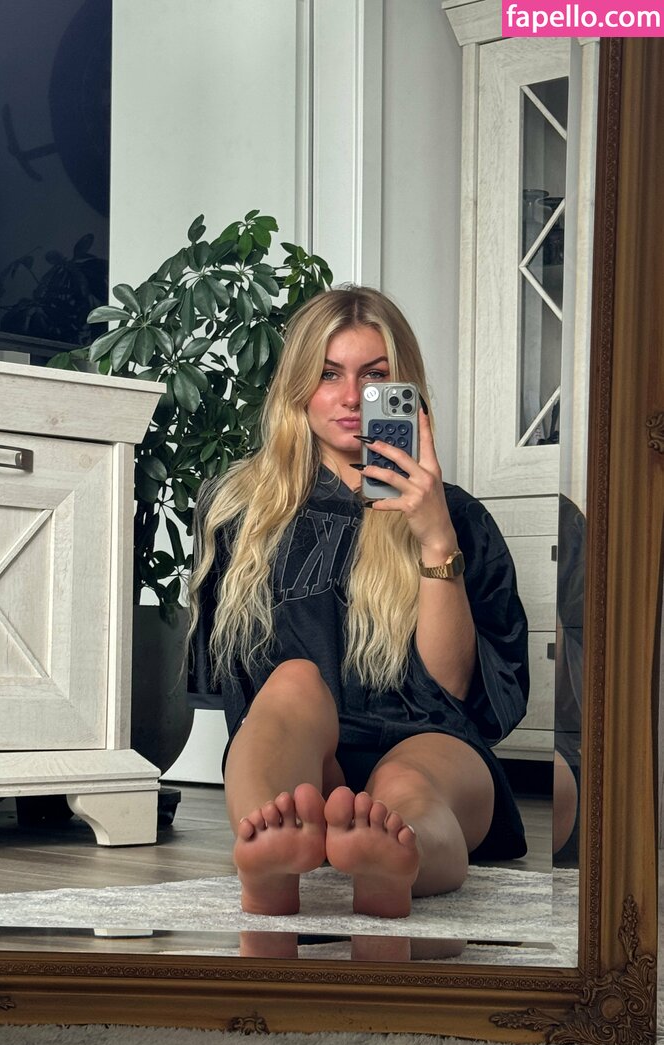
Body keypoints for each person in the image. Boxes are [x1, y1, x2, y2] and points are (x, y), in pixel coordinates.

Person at [187, 286, 534, 923]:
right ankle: (272, 851)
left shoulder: (459, 517)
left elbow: (452, 691)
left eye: (374, 377)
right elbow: (241, 690)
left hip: (428, 739)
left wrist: (435, 536)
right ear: (298, 387)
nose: (351, 397)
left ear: (405, 391)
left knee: (406, 787)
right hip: (300, 752)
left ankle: (393, 858)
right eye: (329, 374)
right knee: (292, 681)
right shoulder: (239, 511)